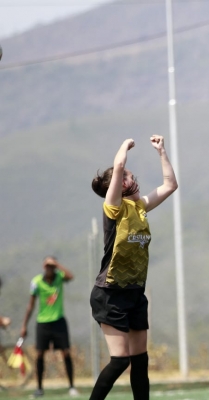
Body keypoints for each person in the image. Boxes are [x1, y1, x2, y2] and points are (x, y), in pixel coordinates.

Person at [89, 135, 178, 400]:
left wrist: (161, 152)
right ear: (118, 186)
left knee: (140, 361)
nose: (132, 178)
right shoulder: (114, 208)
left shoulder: (140, 207)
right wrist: (124, 147)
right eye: (127, 177)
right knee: (120, 360)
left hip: (136, 293)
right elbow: (118, 167)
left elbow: (170, 185)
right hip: (111, 294)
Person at [20, 256, 78, 398]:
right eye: (47, 265)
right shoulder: (36, 282)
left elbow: (71, 276)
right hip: (43, 323)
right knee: (40, 354)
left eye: (51, 266)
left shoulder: (60, 278)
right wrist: (24, 325)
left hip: (59, 321)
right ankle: (39, 389)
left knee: (66, 352)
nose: (49, 268)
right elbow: (30, 305)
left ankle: (72, 387)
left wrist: (56, 263)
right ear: (43, 267)